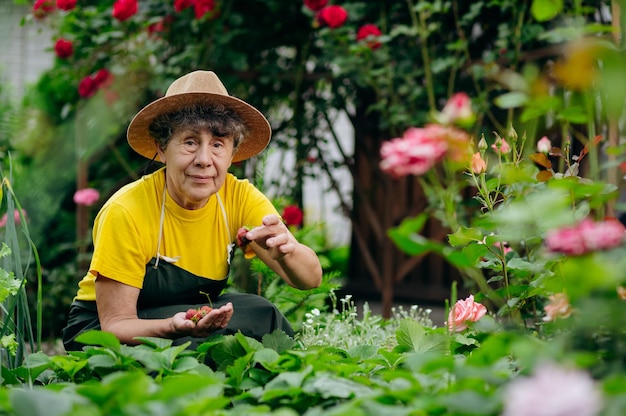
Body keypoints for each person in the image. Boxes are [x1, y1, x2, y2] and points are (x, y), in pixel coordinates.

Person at [62, 70, 323, 351]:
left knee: (263, 313)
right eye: (189, 142)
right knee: (196, 344)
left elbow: (310, 280)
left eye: (218, 144)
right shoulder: (125, 210)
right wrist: (172, 326)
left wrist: (288, 253)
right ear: (162, 149)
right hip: (105, 331)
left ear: (232, 154)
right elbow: (116, 323)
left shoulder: (238, 196)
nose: (203, 160)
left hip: (186, 316)